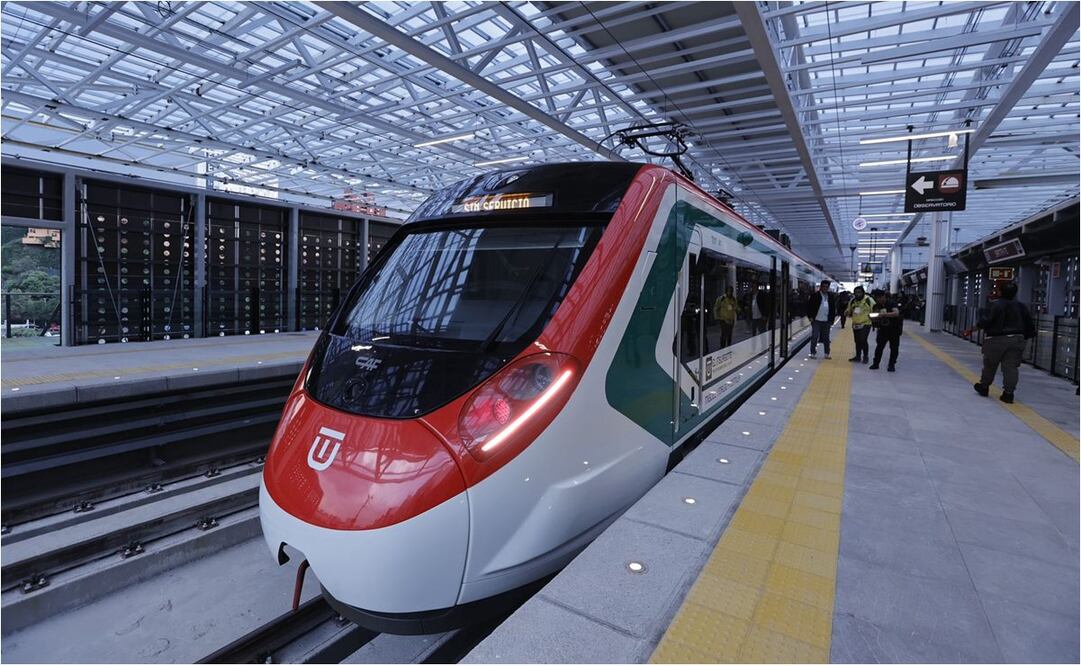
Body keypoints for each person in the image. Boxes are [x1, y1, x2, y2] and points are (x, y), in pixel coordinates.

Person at [971, 281, 1036, 404]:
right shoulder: (1022, 307)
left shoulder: (997, 305)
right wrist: (1024, 338)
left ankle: (984, 387)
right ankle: (1008, 394)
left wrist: (975, 327)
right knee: (1011, 367)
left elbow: (987, 321)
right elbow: (1030, 325)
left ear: (1000, 292)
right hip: (1017, 339)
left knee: (990, 364)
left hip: (996, 339)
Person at [869, 289, 902, 371]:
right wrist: (873, 317)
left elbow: (896, 313)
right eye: (876, 298)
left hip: (894, 329)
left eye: (879, 298)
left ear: (884, 296)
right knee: (879, 347)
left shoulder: (892, 303)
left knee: (894, 348)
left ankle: (891, 365)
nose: (878, 300)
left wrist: (884, 314)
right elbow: (875, 317)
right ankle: (876, 363)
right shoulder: (876, 306)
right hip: (882, 329)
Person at [806, 280, 836, 359]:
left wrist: (832, 320)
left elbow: (833, 309)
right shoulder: (815, 295)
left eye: (827, 287)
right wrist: (810, 317)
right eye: (823, 286)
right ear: (820, 287)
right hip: (816, 320)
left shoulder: (831, 296)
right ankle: (813, 353)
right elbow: (809, 307)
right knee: (815, 336)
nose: (825, 288)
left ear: (828, 287)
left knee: (826, 338)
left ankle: (827, 353)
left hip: (827, 321)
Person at [845, 286, 875, 363]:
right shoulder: (852, 301)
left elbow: (875, 309)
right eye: (856, 293)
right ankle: (858, 356)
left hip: (866, 323)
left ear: (863, 293)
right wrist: (847, 312)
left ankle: (865, 357)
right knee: (857, 341)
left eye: (859, 292)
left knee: (863, 340)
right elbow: (849, 311)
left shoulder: (869, 300)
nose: (857, 294)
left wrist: (874, 320)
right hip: (855, 324)